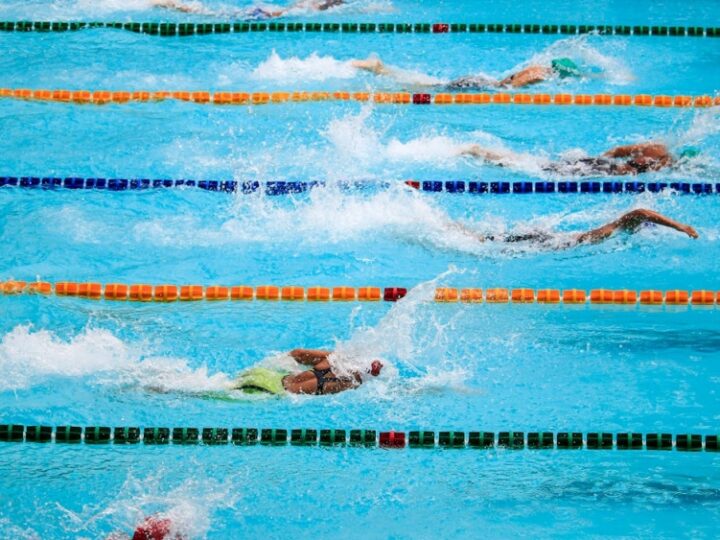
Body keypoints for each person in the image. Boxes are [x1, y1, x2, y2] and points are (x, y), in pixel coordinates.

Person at [450, 208, 698, 250]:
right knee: (483, 242)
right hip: (551, 242)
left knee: (488, 239)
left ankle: (458, 230)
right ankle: (456, 230)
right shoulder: (617, 227)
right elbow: (640, 212)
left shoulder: (616, 231)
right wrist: (679, 226)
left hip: (552, 240)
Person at [460, 142, 700, 176]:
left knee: (541, 165)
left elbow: (617, 150)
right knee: (541, 169)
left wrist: (599, 159)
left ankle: (485, 152)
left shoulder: (654, 147)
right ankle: (482, 153)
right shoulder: (661, 161)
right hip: (602, 170)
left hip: (599, 163)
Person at [351, 56, 583, 89]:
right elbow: (510, 88)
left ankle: (381, 69)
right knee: (429, 89)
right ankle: (379, 70)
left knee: (432, 85)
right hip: (481, 86)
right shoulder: (539, 75)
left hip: (479, 80)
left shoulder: (538, 68)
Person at [233, 349, 383, 395]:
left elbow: (297, 354)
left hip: (269, 380)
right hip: (270, 388)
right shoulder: (337, 364)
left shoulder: (336, 361)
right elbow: (297, 354)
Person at [152, 0, 343, 19]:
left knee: (212, 15)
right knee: (211, 16)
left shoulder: (310, 4)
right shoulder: (312, 5)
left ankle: (177, 6)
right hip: (262, 15)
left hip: (263, 13)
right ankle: (176, 5)